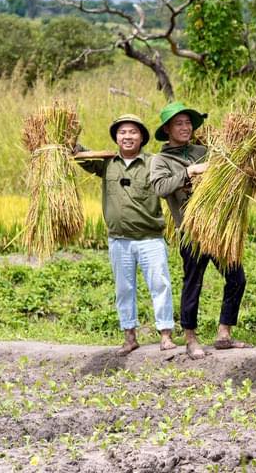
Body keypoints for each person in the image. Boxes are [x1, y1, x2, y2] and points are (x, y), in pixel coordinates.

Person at [149, 102, 251, 360]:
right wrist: (188, 172)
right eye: (178, 124)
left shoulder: (205, 151)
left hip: (217, 228)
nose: (185, 128)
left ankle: (224, 333)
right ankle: (191, 338)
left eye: (188, 123)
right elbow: (160, 188)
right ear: (167, 129)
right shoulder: (160, 160)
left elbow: (229, 172)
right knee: (193, 282)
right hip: (191, 231)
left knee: (237, 278)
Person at [77, 114, 176, 356]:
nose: (128, 136)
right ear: (116, 138)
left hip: (150, 238)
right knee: (124, 289)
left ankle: (165, 335)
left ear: (142, 137)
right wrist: (71, 141)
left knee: (160, 285)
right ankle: (129, 336)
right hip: (119, 240)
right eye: (123, 132)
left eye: (133, 132)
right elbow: (80, 156)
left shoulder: (154, 163)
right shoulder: (107, 163)